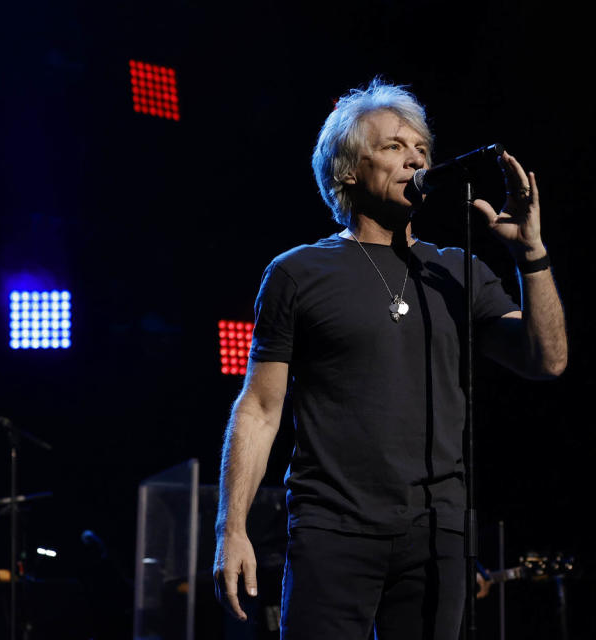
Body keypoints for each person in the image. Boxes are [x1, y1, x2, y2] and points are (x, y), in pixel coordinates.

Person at [213, 78, 567, 640]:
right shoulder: (298, 272)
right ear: (349, 168)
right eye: (394, 147)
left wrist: (531, 255)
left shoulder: (457, 269)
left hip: (436, 534)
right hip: (331, 527)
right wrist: (232, 529)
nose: (415, 160)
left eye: (422, 150)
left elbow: (547, 360)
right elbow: (258, 407)